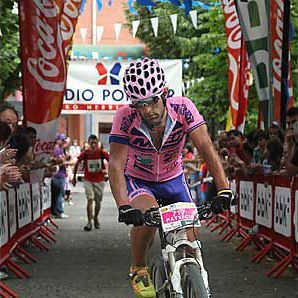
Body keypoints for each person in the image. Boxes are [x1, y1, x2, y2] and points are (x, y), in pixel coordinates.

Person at [108, 57, 233, 298]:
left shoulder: (183, 107)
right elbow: (115, 163)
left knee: (190, 242)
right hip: (139, 180)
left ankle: (191, 281)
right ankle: (139, 267)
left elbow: (206, 147)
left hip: (173, 179)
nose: (147, 110)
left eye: (152, 101)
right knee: (147, 218)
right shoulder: (124, 116)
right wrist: (123, 206)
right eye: (139, 104)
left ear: (163, 93)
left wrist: (224, 189)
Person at [72, 135, 109, 231]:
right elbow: (77, 163)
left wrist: (109, 173)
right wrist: (74, 177)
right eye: (91, 143)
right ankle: (89, 222)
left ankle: (95, 217)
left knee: (98, 201)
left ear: (97, 143)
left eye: (95, 143)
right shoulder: (85, 153)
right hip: (88, 179)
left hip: (99, 180)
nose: (93, 145)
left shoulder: (101, 153)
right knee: (90, 199)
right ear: (88, 143)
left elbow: (111, 161)